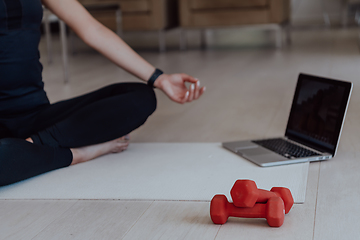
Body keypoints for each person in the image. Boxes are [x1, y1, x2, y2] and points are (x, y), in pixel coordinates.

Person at [0, 0, 205, 186]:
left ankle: (32, 146)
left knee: (140, 97)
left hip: (36, 117)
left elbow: (92, 29)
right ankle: (78, 154)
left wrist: (159, 78)